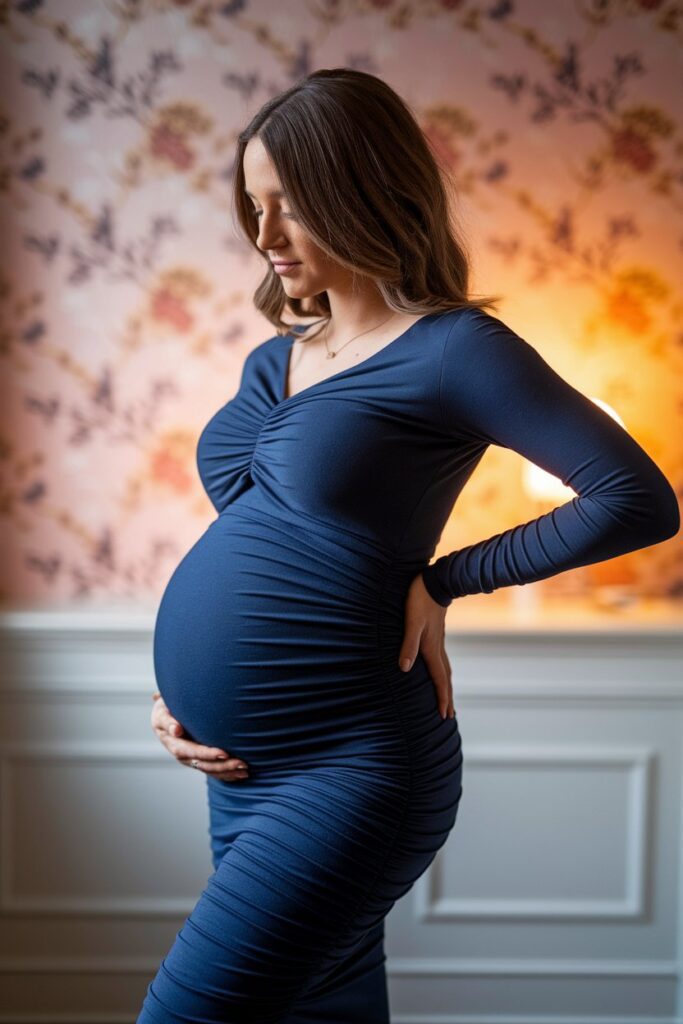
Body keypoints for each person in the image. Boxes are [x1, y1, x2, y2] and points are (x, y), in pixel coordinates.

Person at [137, 68, 679, 1023]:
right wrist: (179, 689)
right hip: (243, 773)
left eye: (290, 207)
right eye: (252, 205)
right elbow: (262, 539)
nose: (262, 238)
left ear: (365, 196)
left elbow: (634, 499)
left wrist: (443, 581)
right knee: (323, 1012)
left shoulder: (454, 350)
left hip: (352, 769)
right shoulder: (276, 357)